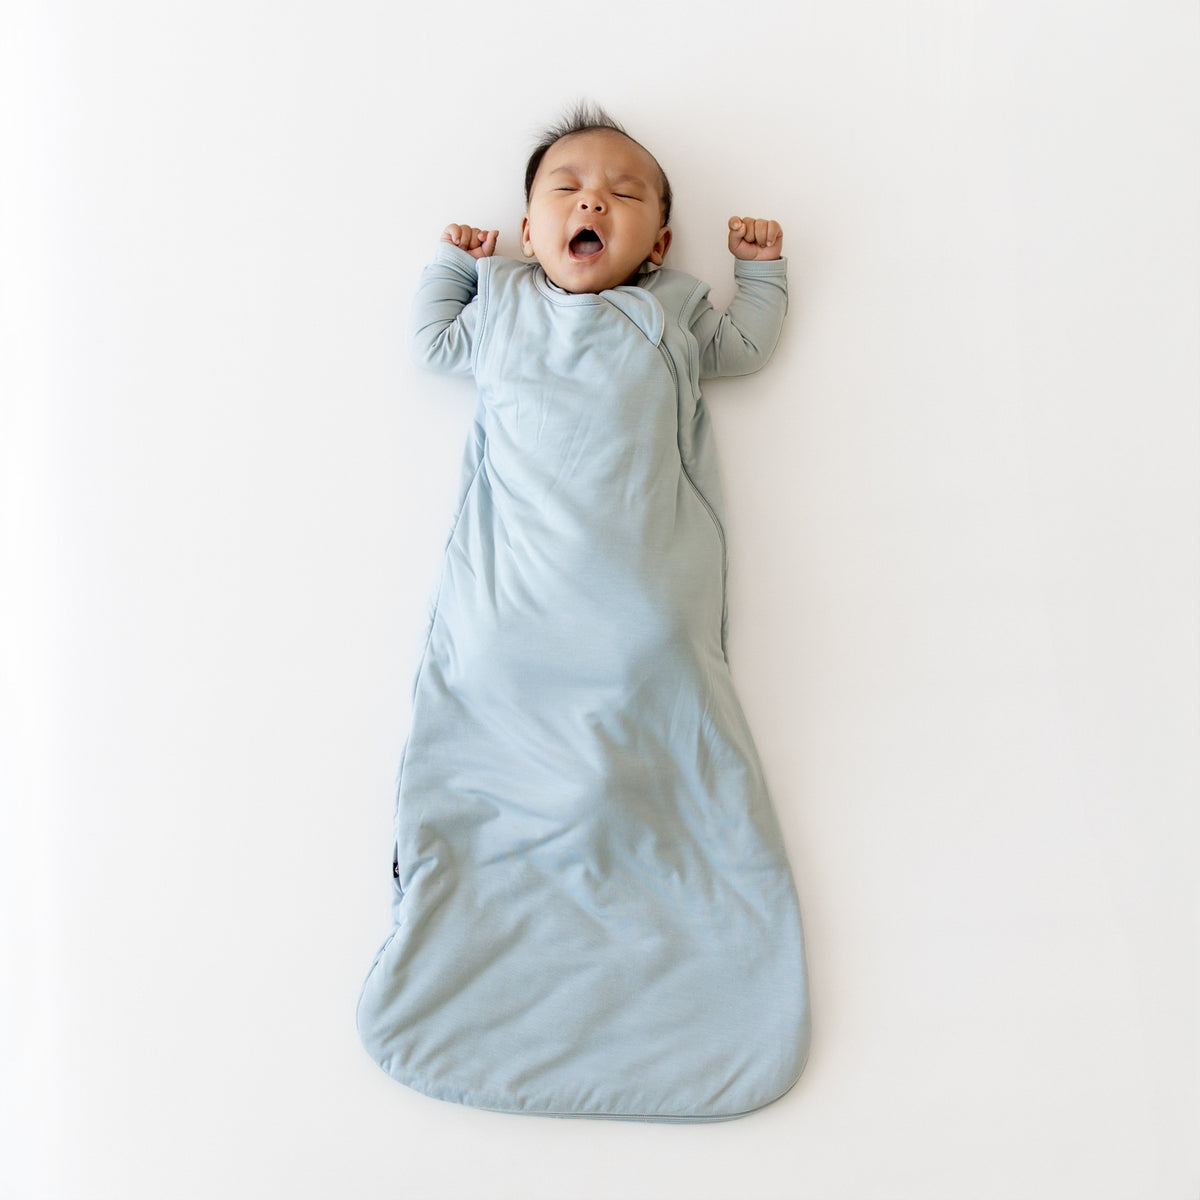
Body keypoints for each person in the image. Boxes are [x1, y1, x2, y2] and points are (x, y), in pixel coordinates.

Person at [357, 105, 811, 1121]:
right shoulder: (506, 303)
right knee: (506, 771)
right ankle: (490, 937)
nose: (592, 198)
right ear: (529, 233)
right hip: (511, 613)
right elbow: (432, 345)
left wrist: (765, 276)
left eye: (626, 191)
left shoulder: (674, 315)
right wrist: (451, 264)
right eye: (566, 187)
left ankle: (676, 962)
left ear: (656, 244)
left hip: (641, 617)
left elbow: (744, 347)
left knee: (640, 762)